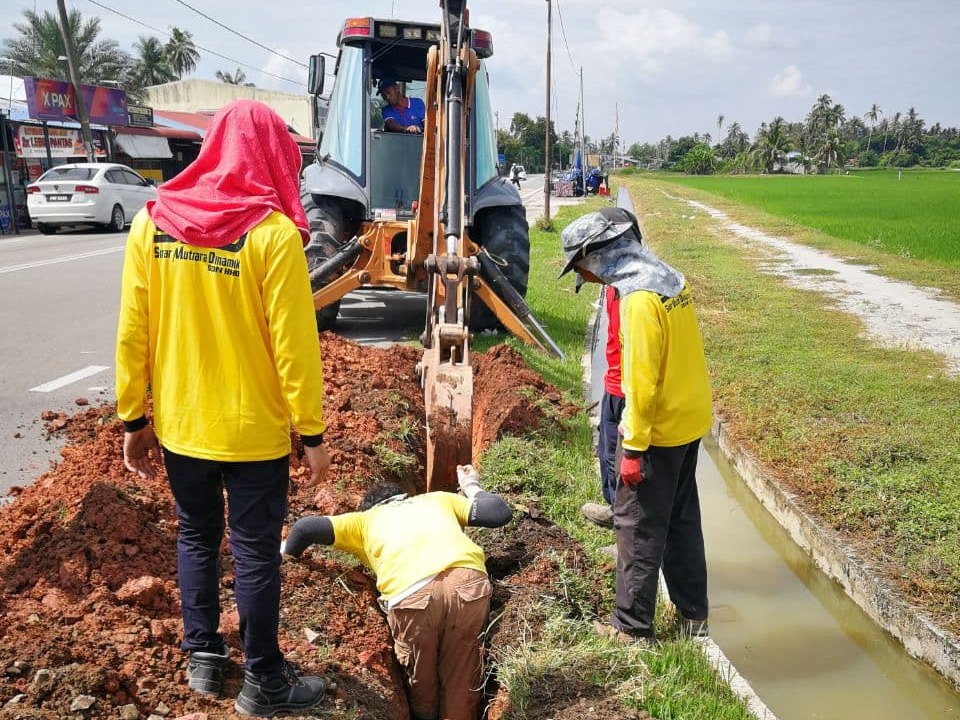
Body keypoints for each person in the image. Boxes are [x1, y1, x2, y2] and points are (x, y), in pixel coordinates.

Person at [115, 99, 333, 717]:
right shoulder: (270, 236)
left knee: (196, 536)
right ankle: (264, 680)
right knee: (256, 552)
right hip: (252, 432)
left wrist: (135, 418)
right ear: (271, 156)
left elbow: (134, 330)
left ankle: (205, 657)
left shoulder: (152, 224)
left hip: (183, 427)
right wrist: (311, 431)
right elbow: (294, 346)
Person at [558, 206, 713, 643]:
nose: (585, 277)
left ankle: (630, 629)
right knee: (682, 520)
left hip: (658, 430)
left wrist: (633, 449)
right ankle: (693, 615)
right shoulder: (668, 278)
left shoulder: (638, 300)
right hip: (689, 418)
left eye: (582, 266)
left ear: (599, 254)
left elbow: (641, 383)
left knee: (637, 527)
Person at [282, 465, 513, 720]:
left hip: (413, 595)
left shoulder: (363, 521)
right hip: (467, 584)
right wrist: (471, 486)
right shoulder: (438, 499)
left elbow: (304, 529)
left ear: (370, 507)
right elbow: (498, 513)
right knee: (462, 673)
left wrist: (285, 557)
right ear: (404, 496)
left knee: (422, 683)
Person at [580, 283, 624, 530]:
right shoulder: (612, 288)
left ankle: (626, 535)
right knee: (606, 451)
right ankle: (614, 510)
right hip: (613, 382)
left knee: (619, 461)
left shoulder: (632, 294)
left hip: (626, 389)